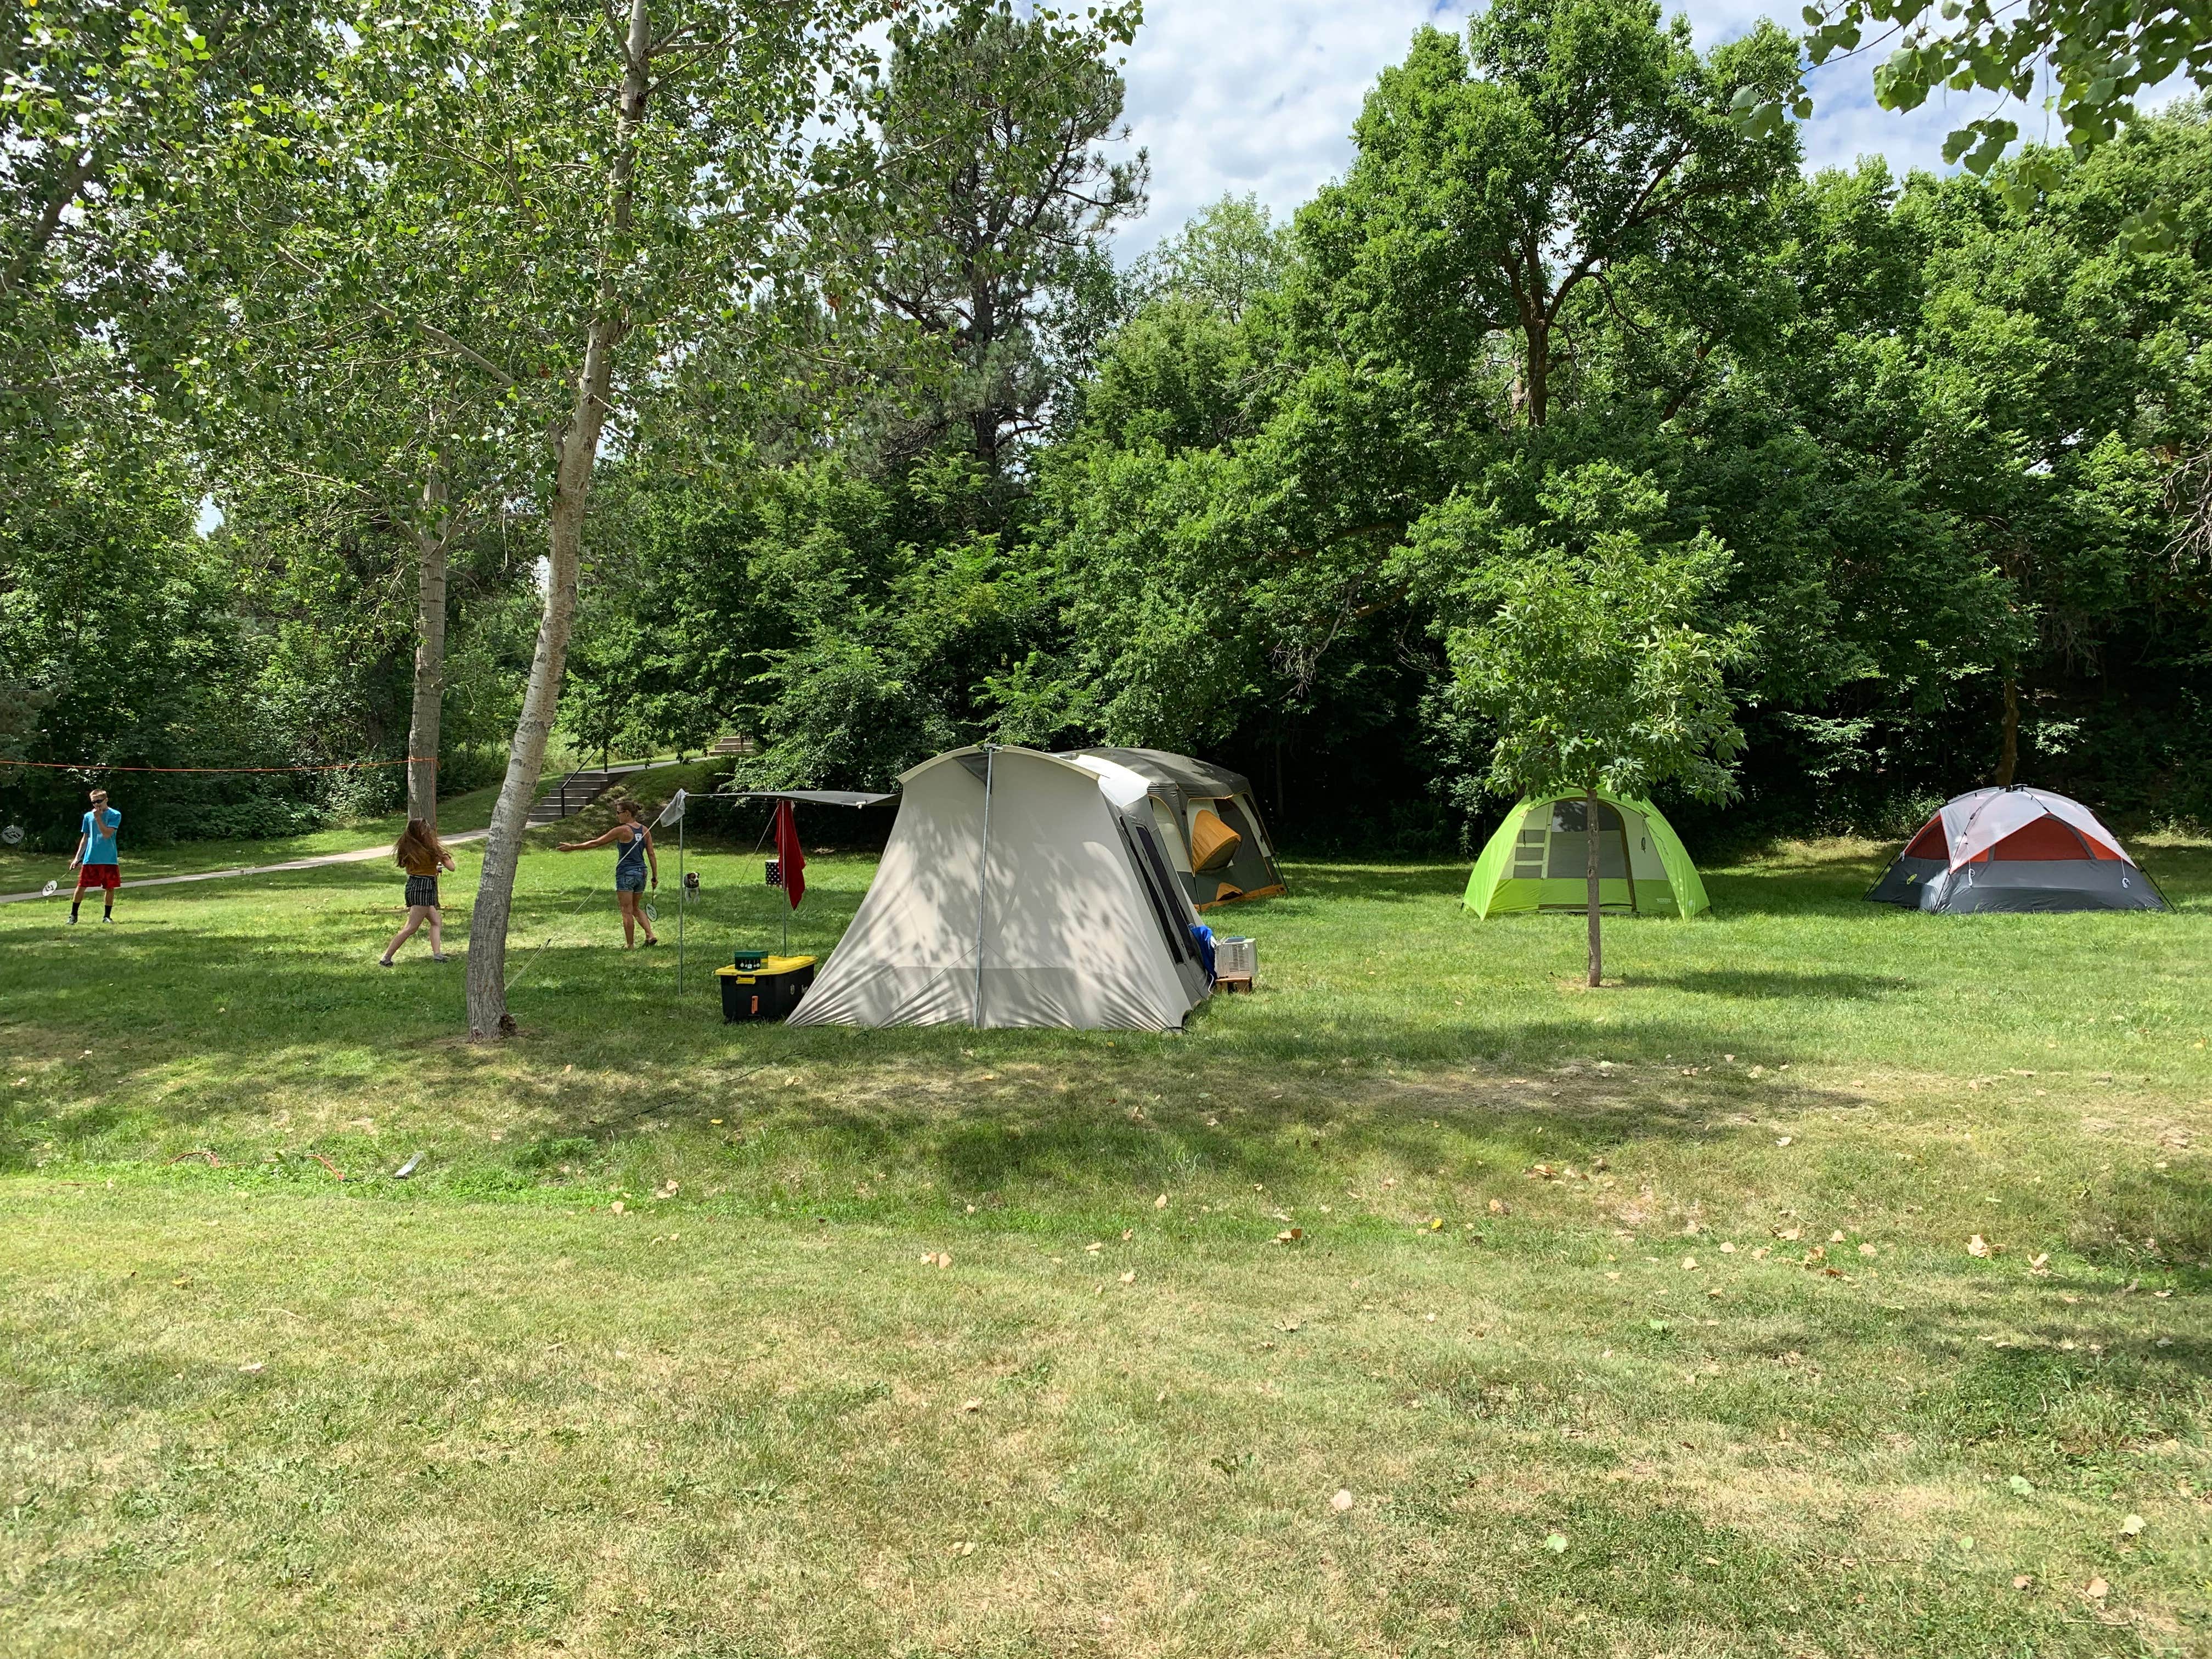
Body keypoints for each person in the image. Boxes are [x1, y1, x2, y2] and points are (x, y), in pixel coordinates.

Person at [558, 798, 659, 947]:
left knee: (627, 910)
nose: (617, 816)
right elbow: (651, 854)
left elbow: (597, 842)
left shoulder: (622, 830)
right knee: (636, 908)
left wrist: (573, 847)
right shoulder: (645, 830)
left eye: (618, 813)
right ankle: (650, 935)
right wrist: (655, 876)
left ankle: (630, 946)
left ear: (627, 813)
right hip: (642, 873)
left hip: (626, 873)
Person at [380, 818, 456, 967]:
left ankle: (437, 954)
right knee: (411, 927)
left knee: (436, 921)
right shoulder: (432, 849)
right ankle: (386, 958)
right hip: (424, 887)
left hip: (413, 885)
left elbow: (411, 866)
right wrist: (444, 857)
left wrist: (433, 869)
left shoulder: (408, 847)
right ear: (424, 833)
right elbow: (452, 867)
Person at [68, 788, 121, 924]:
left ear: (106, 800)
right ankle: (73, 916)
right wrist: (77, 857)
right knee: (81, 886)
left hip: (109, 859)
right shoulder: (88, 817)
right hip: (90, 859)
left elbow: (107, 834)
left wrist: (98, 818)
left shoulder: (115, 815)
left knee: (110, 888)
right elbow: (85, 838)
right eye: (93, 802)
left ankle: (107, 917)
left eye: (99, 801)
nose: (97, 804)